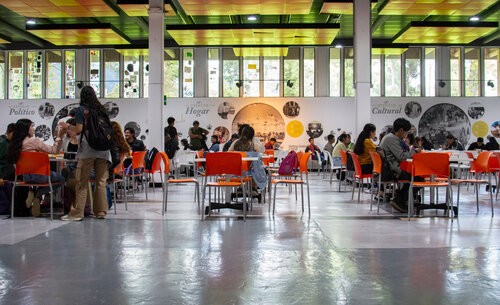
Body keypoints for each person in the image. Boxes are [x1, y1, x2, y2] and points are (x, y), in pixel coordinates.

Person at [58, 86, 111, 221]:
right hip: (104, 150)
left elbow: (79, 129)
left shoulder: (82, 110)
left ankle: (77, 213)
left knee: (81, 182)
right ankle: (101, 212)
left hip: (87, 150)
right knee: (100, 182)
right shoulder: (102, 110)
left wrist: (67, 126)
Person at [5, 119, 66, 217]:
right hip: (40, 175)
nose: (33, 129)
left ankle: (34, 191)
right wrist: (59, 137)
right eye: (32, 126)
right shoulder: (33, 141)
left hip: (25, 178)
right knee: (62, 179)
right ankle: (38, 193)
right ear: (26, 129)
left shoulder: (14, 144)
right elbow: (54, 150)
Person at [380, 118, 422, 213]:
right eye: (406, 132)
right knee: (419, 178)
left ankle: (400, 199)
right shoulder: (392, 139)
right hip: (394, 170)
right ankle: (399, 200)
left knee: (416, 177)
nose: (406, 135)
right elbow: (402, 157)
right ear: (401, 130)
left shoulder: (390, 137)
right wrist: (415, 151)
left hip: (392, 167)